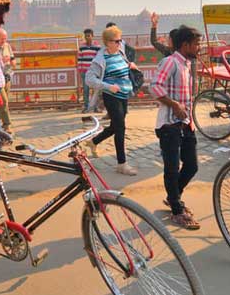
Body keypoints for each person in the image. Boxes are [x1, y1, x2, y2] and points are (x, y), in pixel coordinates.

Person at [150, 26, 202, 230]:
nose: (198, 47)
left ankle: (173, 198)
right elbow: (154, 87)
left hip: (185, 122)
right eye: (196, 44)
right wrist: (174, 105)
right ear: (185, 45)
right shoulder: (170, 62)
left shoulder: (188, 64)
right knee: (171, 169)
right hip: (169, 124)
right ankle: (176, 209)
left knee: (192, 165)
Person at [85, 26, 138, 176]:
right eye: (117, 41)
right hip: (111, 97)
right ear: (108, 42)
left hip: (124, 95)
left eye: (120, 40)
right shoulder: (100, 59)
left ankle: (94, 141)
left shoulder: (120, 52)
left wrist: (130, 66)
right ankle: (122, 164)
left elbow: (124, 66)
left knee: (115, 126)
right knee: (120, 128)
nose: (120, 43)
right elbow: (89, 79)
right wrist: (108, 86)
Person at [0, 28, 14, 133]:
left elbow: (12, 57)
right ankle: (7, 125)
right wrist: (1, 61)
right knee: (3, 102)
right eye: (2, 38)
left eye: (5, 38)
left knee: (2, 102)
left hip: (7, 75)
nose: (4, 41)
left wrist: (12, 61)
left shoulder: (7, 46)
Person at [77, 29, 101, 113]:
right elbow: (79, 59)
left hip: (94, 71)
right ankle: (86, 107)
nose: (87, 38)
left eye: (89, 36)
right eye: (86, 36)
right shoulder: (81, 47)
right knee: (86, 90)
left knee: (95, 90)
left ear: (92, 36)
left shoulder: (97, 46)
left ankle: (95, 107)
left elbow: (99, 59)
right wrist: (80, 70)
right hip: (85, 71)